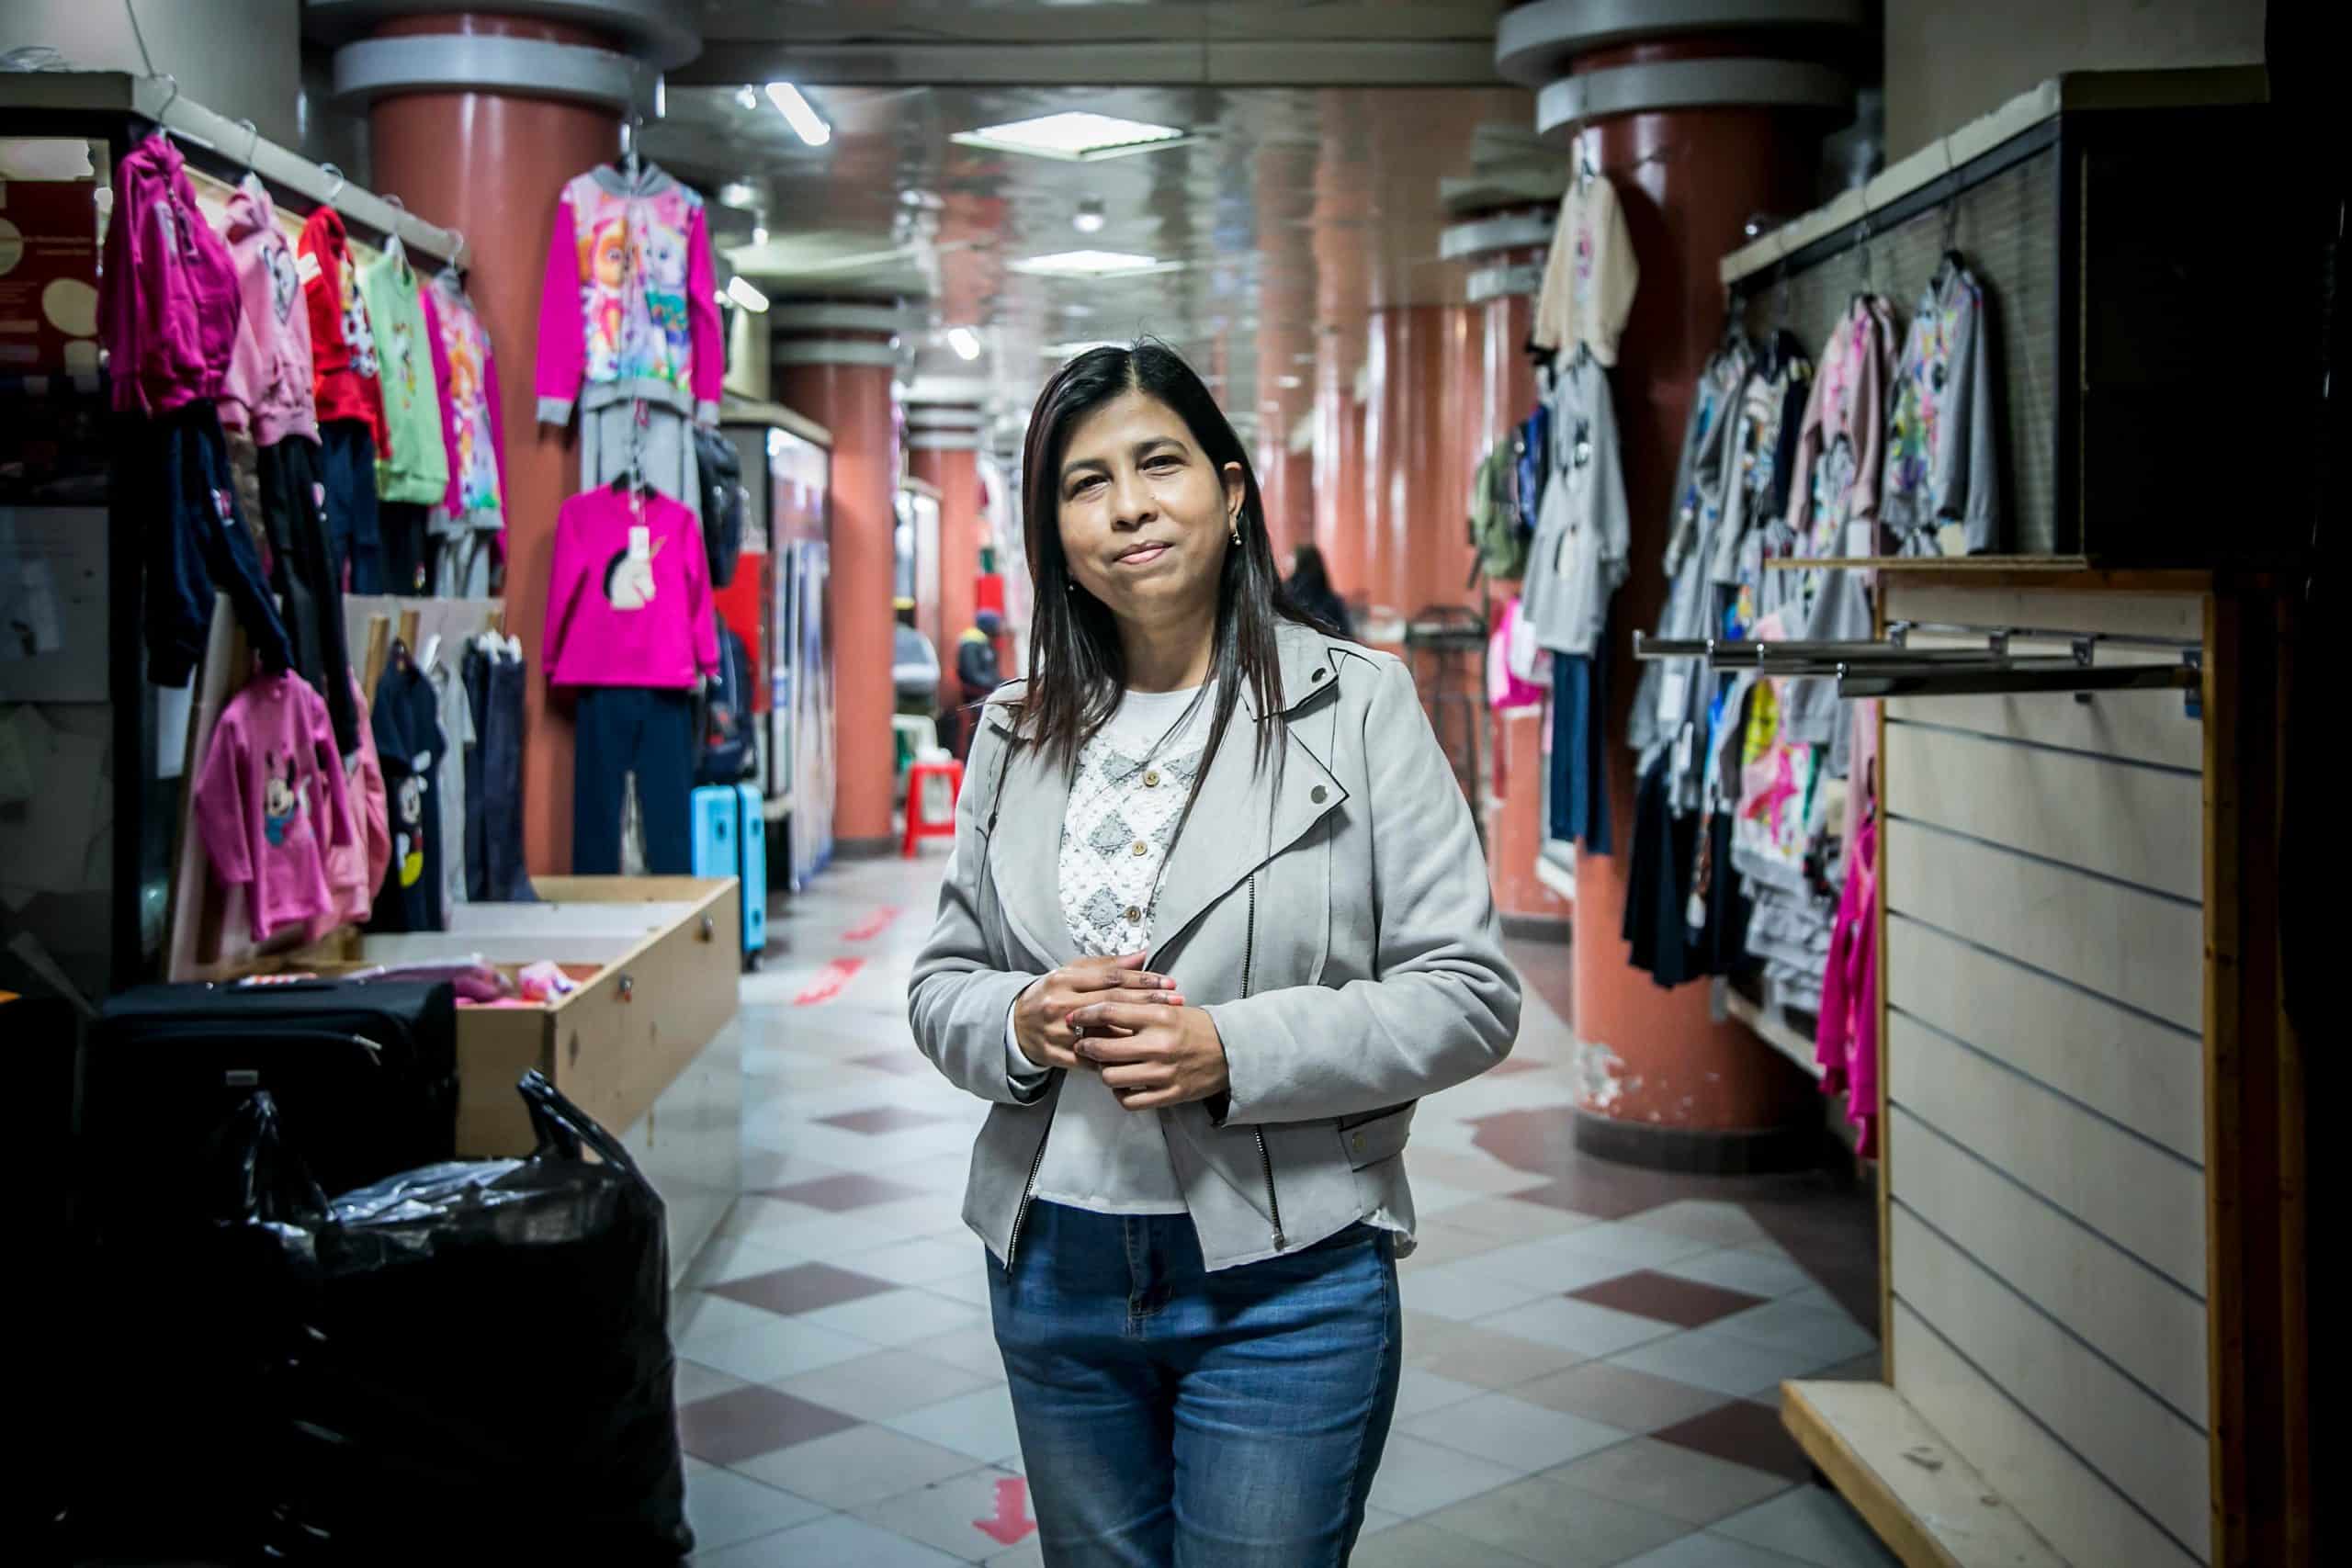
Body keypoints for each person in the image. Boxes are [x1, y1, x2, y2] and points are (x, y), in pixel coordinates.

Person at [909, 341, 1521, 1566]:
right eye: (1086, 483)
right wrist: (1022, 1019)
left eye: (1159, 464)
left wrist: (1226, 1048)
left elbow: (1469, 992)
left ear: (1231, 493)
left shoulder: (1356, 705)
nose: (1128, 504)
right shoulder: (1015, 730)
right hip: (1055, 1268)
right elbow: (943, 980)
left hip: (1284, 1277)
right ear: (1056, 530)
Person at [1283, 542, 1353, 640]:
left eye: (1291, 557)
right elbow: (1345, 633)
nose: (1286, 561)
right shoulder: (1331, 598)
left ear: (1300, 561)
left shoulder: (1288, 592)